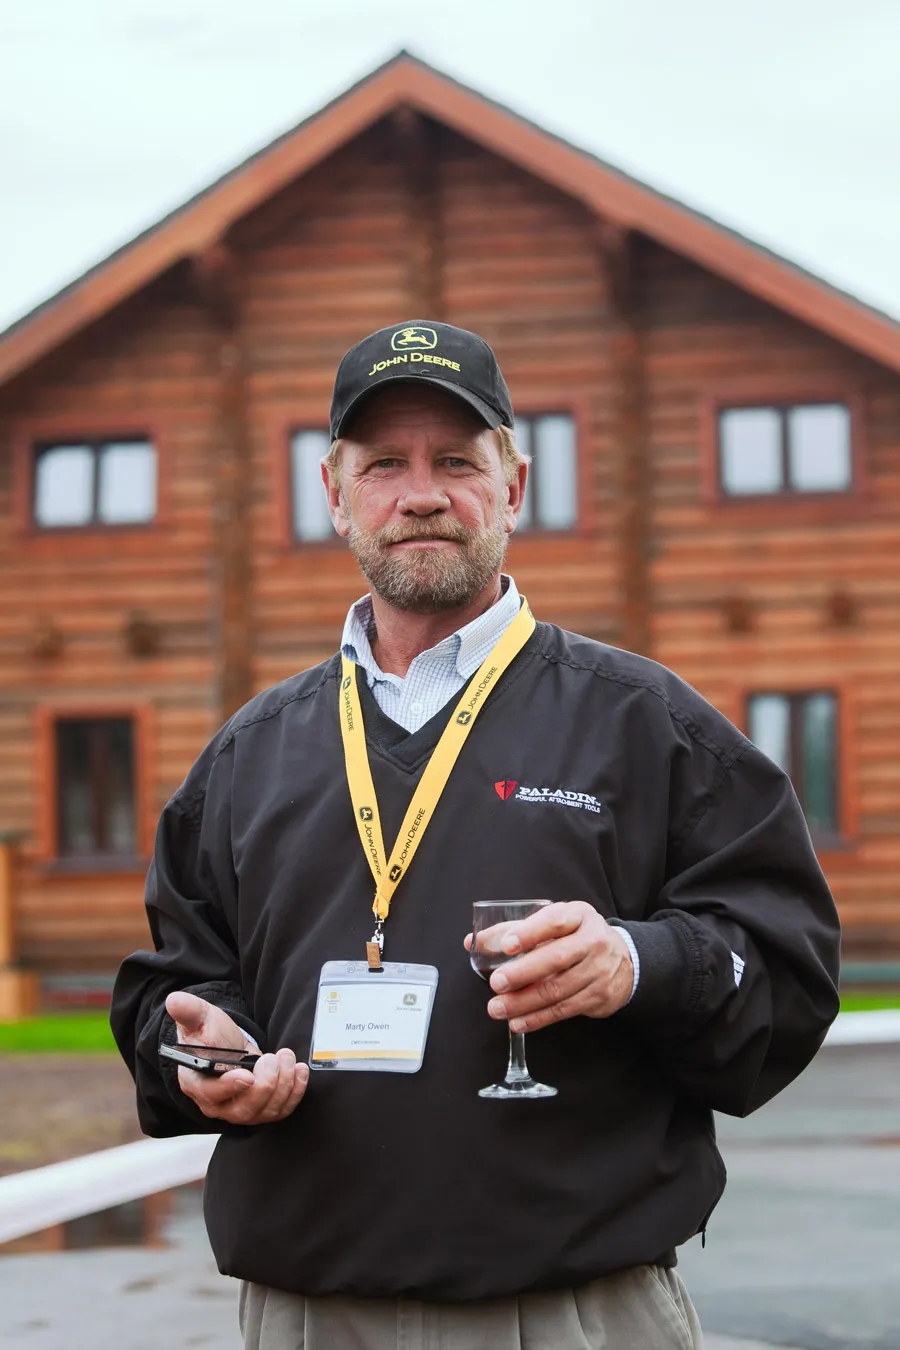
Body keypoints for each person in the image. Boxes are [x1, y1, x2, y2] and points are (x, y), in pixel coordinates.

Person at [111, 320, 841, 1350]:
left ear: (514, 486)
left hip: (576, 1315)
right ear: (335, 495)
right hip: (311, 1315)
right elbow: (171, 990)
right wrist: (205, 1051)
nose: (421, 494)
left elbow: (788, 976)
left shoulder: (648, 726)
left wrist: (637, 964)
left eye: (457, 461)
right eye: (384, 465)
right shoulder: (247, 755)